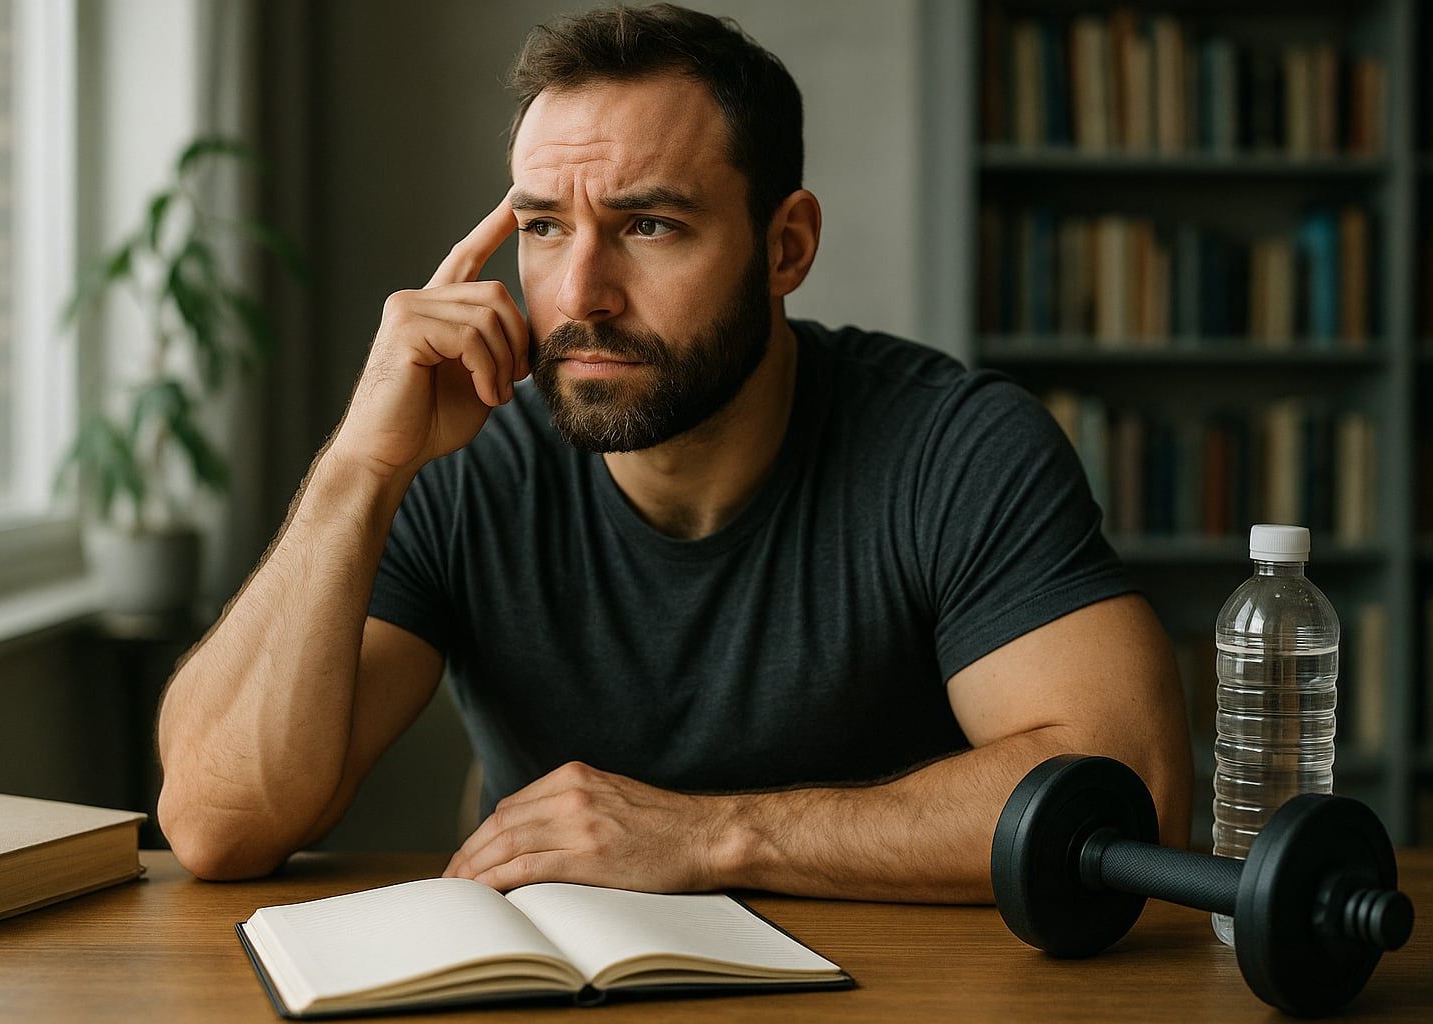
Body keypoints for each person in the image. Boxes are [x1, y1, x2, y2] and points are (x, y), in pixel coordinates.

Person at [156, 3, 1192, 901]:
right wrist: (359, 469)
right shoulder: (456, 460)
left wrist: (709, 836)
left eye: (649, 226)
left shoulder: (955, 446)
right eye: (547, 228)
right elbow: (215, 825)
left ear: (785, 246)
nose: (582, 294)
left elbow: (1128, 786)